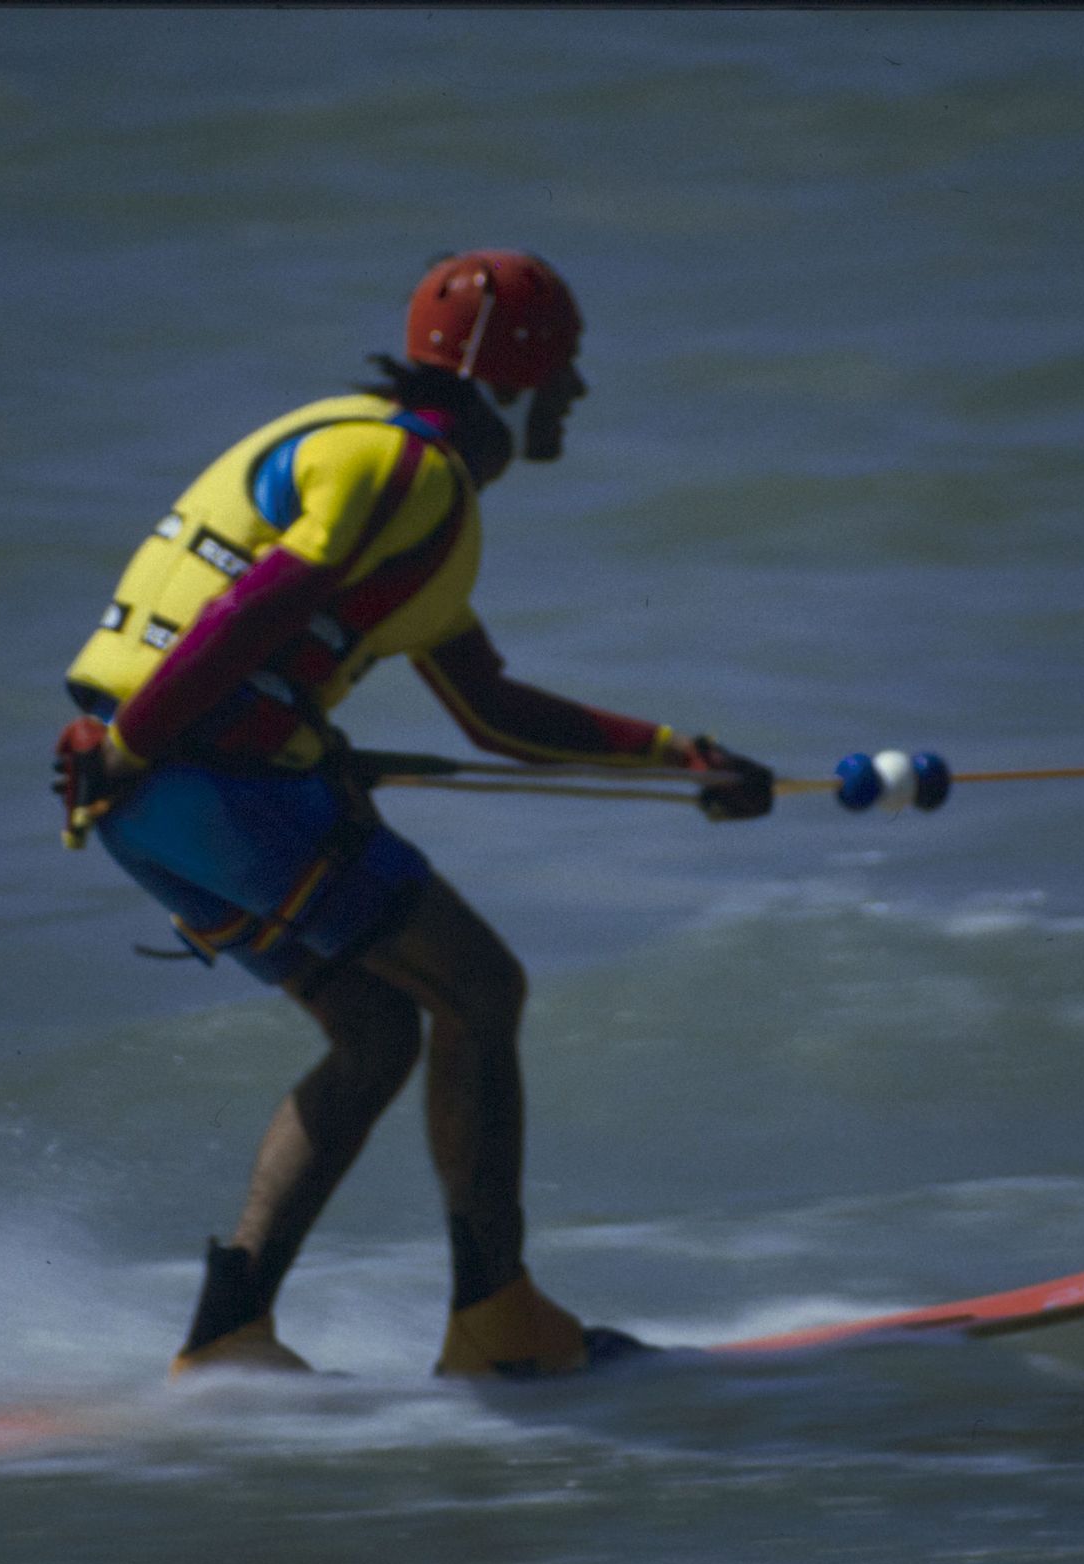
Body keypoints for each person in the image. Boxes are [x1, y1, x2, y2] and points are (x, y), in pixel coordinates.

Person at [51, 250, 774, 1380]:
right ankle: (497, 1320)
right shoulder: (407, 471)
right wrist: (142, 739)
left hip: (146, 804)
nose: (576, 394)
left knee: (381, 1028)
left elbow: (492, 711)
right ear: (516, 375)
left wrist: (680, 758)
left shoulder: (367, 461)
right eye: (566, 369)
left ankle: (231, 1336)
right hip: (196, 774)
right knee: (480, 987)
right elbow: (266, 601)